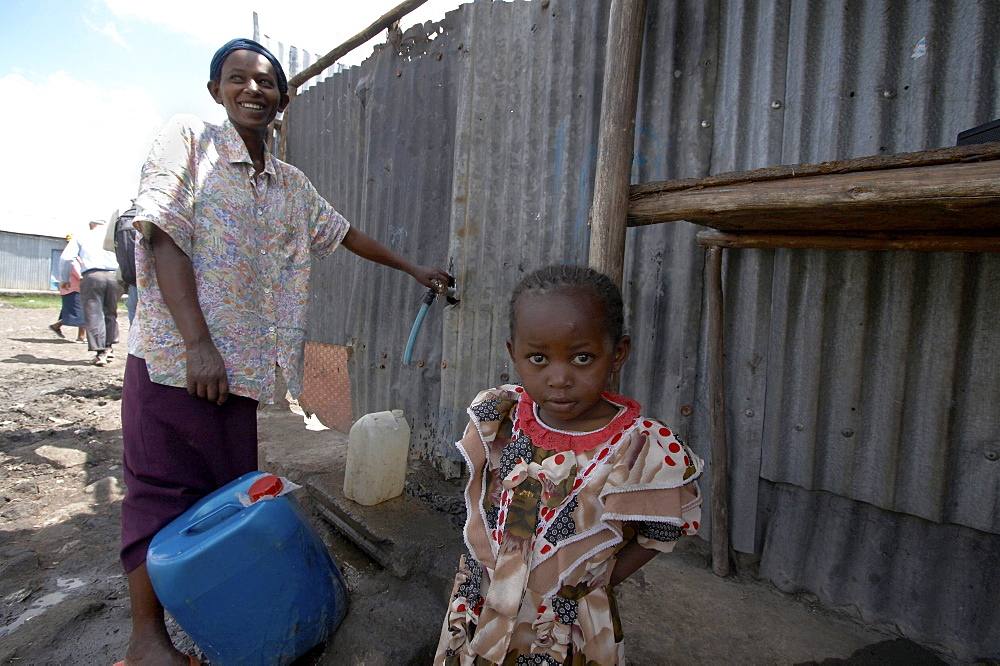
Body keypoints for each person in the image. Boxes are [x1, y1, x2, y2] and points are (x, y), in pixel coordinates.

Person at [117, 38, 450, 665]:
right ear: (215, 89)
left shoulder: (290, 185)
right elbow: (163, 233)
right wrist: (198, 346)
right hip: (173, 363)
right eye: (237, 78)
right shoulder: (190, 140)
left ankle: (234, 627)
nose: (252, 90)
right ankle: (145, 642)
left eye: (266, 82)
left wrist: (414, 268)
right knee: (156, 496)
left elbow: (346, 232)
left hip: (237, 377)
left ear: (282, 99)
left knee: (227, 508)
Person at [434, 265, 703, 665]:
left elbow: (661, 527)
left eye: (582, 357)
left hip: (561, 629)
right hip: (480, 599)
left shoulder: (638, 447)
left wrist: (595, 581)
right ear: (514, 353)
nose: (559, 378)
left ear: (618, 354)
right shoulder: (502, 415)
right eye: (538, 358)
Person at [59, 219, 121, 366]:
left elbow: (67, 258)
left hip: (93, 275)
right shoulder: (115, 235)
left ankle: (101, 352)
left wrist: (64, 277)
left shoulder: (82, 236)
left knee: (94, 313)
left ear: (91, 225)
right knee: (111, 311)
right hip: (116, 276)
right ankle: (109, 347)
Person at [49, 244, 86, 343]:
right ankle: (81, 336)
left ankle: (57, 326)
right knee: (81, 312)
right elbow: (79, 275)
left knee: (77, 312)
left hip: (74, 289)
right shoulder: (72, 260)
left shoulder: (75, 259)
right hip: (73, 289)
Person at [114, 202, 139, 324]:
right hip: (161, 279)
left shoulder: (126, 216)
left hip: (135, 278)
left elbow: (112, 246)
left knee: (134, 312)